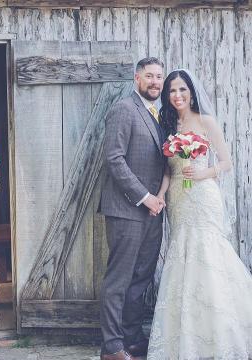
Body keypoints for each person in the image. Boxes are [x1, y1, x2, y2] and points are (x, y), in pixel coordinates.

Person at [147, 69, 252, 359]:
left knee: (206, 253)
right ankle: (184, 336)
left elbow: (227, 162)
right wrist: (160, 194)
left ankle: (220, 330)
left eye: (182, 89)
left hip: (203, 195)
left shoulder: (205, 121)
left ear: (191, 92)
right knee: (181, 253)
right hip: (178, 197)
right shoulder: (168, 124)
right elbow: (169, 171)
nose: (177, 95)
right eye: (172, 91)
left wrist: (204, 172)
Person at [99, 57, 166, 360]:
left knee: (142, 277)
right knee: (119, 280)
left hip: (153, 212)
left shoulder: (160, 115)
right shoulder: (124, 109)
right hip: (127, 209)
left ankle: (132, 338)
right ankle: (112, 347)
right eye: (150, 76)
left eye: (159, 77)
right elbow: (114, 159)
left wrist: (160, 198)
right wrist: (144, 196)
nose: (155, 82)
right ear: (137, 78)